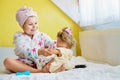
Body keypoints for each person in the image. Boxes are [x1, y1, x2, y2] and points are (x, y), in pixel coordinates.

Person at [3, 6, 65, 73]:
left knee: (59, 56)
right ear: (22, 26)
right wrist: (39, 51)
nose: (34, 26)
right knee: (7, 61)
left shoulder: (42, 35)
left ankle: (50, 68)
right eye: (30, 24)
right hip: (26, 65)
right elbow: (22, 51)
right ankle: (38, 71)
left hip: (42, 62)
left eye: (36, 23)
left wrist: (59, 45)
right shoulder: (19, 37)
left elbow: (51, 43)